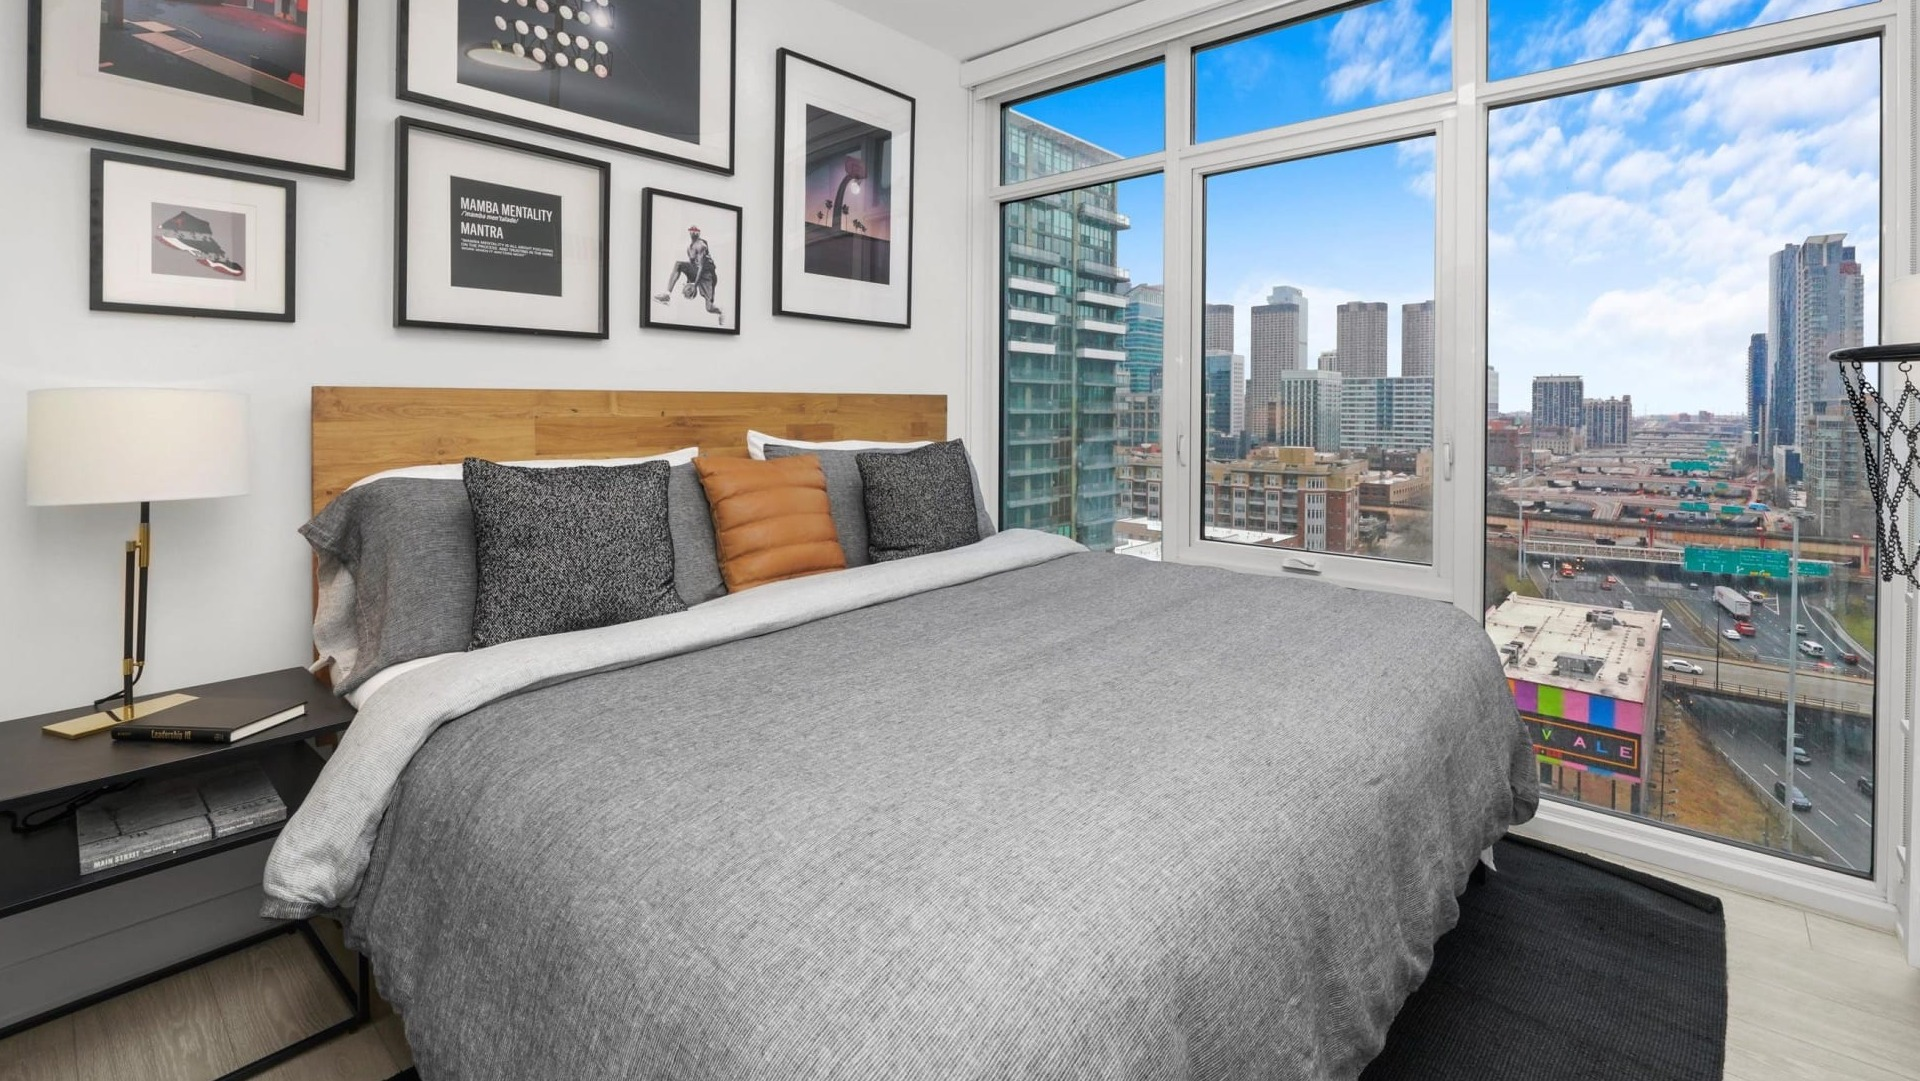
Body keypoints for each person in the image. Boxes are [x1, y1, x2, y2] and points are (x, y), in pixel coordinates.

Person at [655, 225, 723, 322]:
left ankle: (720, 312)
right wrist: (689, 281)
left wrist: (695, 285)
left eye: (696, 232)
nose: (694, 233)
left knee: (709, 308)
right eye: (692, 231)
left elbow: (701, 267)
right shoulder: (689, 248)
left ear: (699, 233)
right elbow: (692, 266)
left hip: (708, 276)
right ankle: (667, 295)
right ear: (689, 232)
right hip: (699, 272)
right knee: (678, 264)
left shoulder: (701, 245)